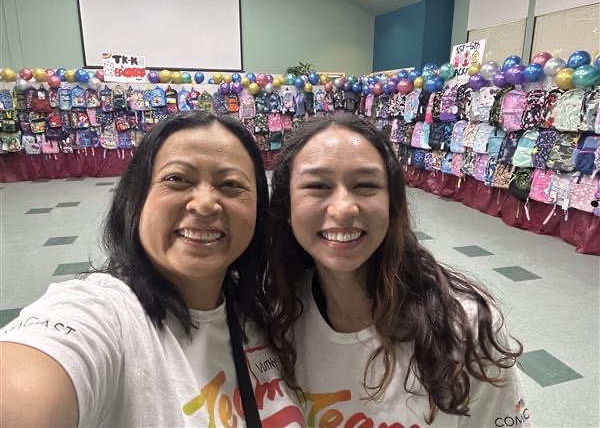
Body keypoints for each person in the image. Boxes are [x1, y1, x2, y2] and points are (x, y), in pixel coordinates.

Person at [1, 111, 303, 427]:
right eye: (177, 179)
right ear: (137, 197)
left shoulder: (268, 310)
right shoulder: (103, 314)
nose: (203, 204)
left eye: (230, 184)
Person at [264, 114, 532, 427]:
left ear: (393, 203)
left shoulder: (463, 327)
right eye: (317, 186)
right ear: (286, 207)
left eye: (365, 185)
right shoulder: (274, 318)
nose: (343, 209)